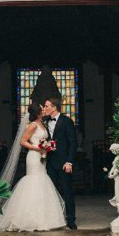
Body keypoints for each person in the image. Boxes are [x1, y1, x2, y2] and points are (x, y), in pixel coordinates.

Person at [0, 102, 66, 231]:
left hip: (42, 156)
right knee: (34, 180)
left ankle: (43, 219)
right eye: (42, 109)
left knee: (42, 180)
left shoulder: (42, 123)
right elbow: (23, 141)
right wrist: (38, 148)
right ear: (37, 112)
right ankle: (28, 218)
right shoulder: (32, 125)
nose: (44, 110)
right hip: (34, 156)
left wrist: (48, 146)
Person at [42, 96, 77, 229]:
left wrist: (69, 162)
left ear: (54, 107)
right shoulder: (44, 121)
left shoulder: (66, 121)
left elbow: (73, 143)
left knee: (67, 191)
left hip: (63, 162)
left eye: (47, 106)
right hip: (50, 162)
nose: (45, 108)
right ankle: (54, 220)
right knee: (51, 192)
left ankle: (71, 220)